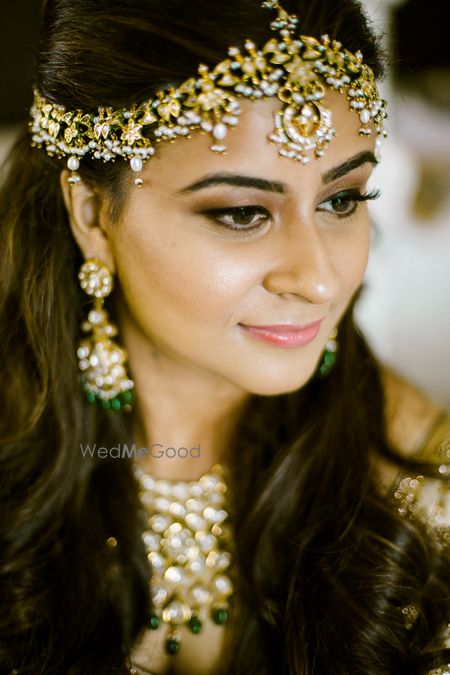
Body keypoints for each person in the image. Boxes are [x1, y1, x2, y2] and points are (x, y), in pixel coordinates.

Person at [0, 0, 449, 673]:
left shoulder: (420, 479)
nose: (319, 279)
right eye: (242, 212)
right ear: (93, 213)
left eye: (341, 199)